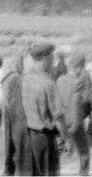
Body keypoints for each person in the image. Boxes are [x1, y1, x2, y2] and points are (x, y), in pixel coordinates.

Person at [21, 42, 72, 175]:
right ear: (45, 58)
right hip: (46, 138)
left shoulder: (25, 79)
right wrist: (66, 140)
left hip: (30, 136)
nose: (52, 60)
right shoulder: (48, 83)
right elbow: (58, 117)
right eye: (51, 57)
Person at [57, 50, 91, 175]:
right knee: (83, 148)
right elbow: (80, 102)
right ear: (80, 65)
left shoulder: (60, 80)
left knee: (59, 148)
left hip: (61, 119)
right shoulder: (78, 82)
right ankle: (84, 172)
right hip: (75, 119)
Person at [2, 56, 35, 176]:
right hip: (18, 118)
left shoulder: (8, 78)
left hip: (10, 116)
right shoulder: (17, 79)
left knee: (11, 150)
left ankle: (8, 169)